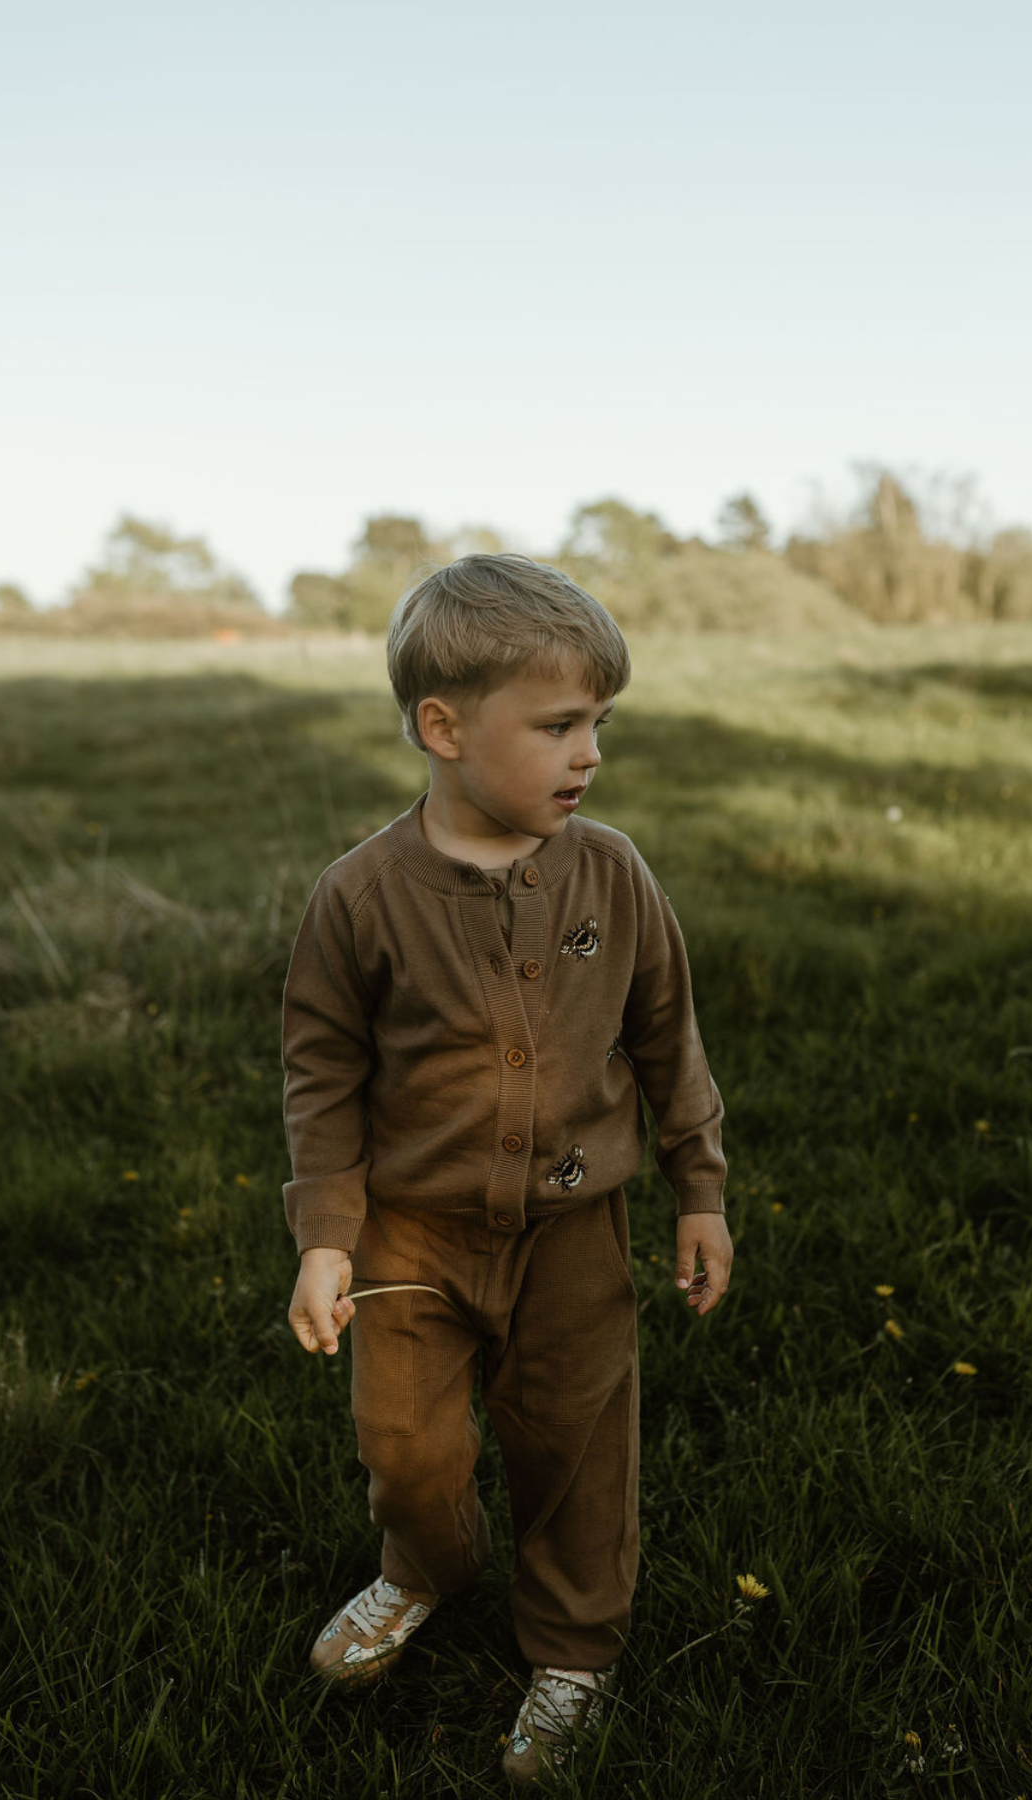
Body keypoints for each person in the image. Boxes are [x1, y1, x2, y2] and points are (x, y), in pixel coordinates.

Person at [281, 552, 732, 1786]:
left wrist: (699, 1189)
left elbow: (668, 1037)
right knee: (405, 1446)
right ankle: (422, 1568)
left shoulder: (613, 874)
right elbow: (321, 1076)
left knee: (576, 1443)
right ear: (444, 729)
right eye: (558, 726)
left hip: (576, 1229)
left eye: (599, 724)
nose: (591, 754)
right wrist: (325, 1238)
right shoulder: (360, 898)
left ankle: (575, 1648)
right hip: (410, 1234)